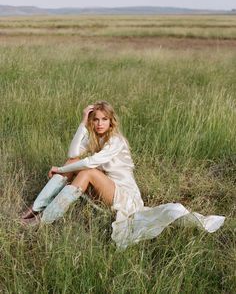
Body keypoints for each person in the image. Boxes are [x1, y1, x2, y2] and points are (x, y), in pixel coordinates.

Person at [21, 100, 225, 248]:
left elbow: (92, 162)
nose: (99, 123)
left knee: (87, 171)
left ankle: (41, 223)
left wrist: (60, 170)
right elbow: (73, 154)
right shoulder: (94, 138)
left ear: (111, 122)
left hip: (126, 197)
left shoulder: (116, 141)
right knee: (72, 162)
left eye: (104, 119)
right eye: (95, 120)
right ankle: (34, 210)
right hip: (108, 189)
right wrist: (83, 121)